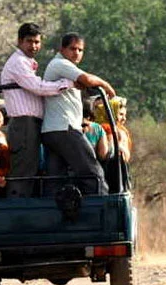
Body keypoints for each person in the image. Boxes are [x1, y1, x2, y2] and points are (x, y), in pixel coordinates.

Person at [0, 22, 74, 197]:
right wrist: (66, 84)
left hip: (32, 124)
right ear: (19, 41)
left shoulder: (27, 62)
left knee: (33, 168)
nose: (34, 46)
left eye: (37, 42)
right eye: (29, 41)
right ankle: (17, 212)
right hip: (24, 123)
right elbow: (38, 87)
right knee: (23, 171)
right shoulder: (17, 62)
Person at [41, 32, 115, 196]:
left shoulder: (65, 68)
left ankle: (53, 216)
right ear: (62, 49)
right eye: (73, 49)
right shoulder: (60, 64)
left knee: (56, 179)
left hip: (52, 131)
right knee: (93, 174)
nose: (77, 53)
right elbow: (88, 80)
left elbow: (83, 82)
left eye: (80, 50)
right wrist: (106, 85)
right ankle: (103, 211)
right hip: (64, 129)